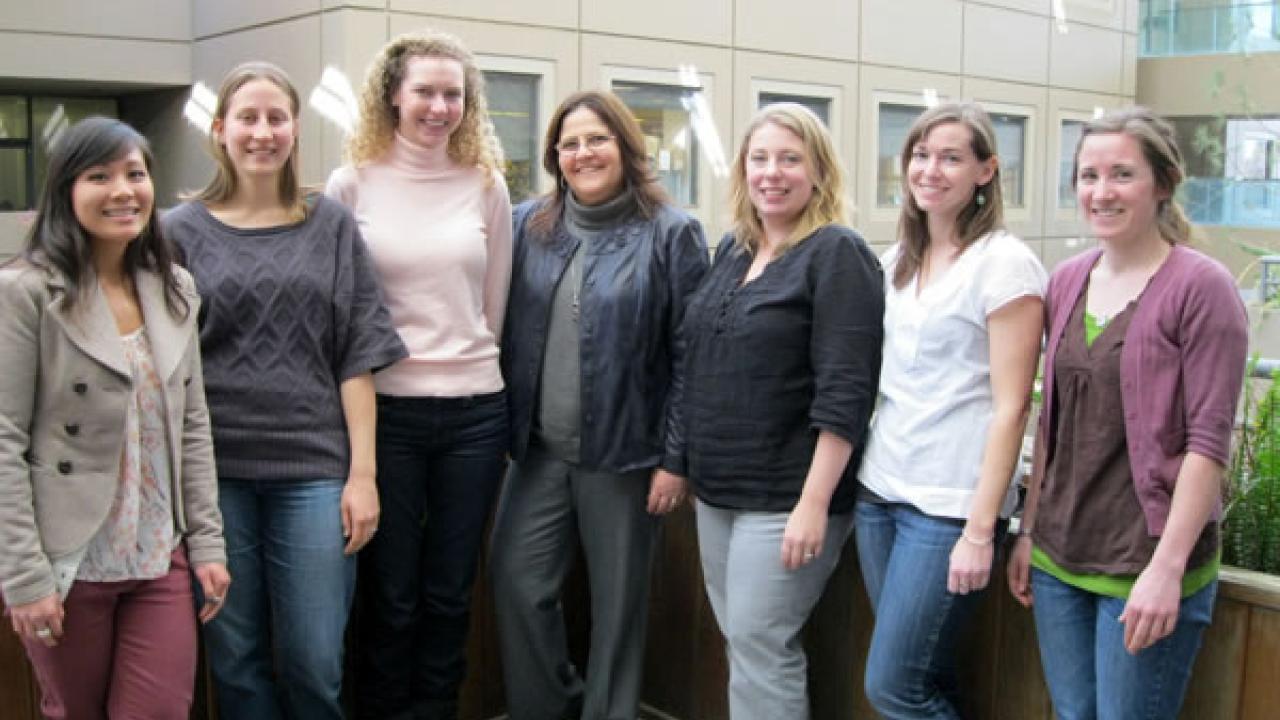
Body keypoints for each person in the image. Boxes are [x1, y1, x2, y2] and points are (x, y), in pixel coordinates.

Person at [163, 61, 406, 720]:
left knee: (313, 662)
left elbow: (356, 355)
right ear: (220, 130)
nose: (262, 132)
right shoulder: (177, 232)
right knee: (236, 665)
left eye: (276, 117)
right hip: (214, 479)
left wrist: (364, 476)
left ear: (295, 129)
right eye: (248, 117)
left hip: (313, 475)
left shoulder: (328, 224)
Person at [1007, 106, 1248, 719]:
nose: (1101, 191)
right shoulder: (1066, 280)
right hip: (1060, 557)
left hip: (1145, 564)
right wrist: (1029, 533)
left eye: (1121, 174)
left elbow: (1208, 444)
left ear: (1162, 183)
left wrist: (1166, 569)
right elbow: (1053, 424)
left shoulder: (1202, 287)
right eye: (1088, 176)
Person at [489, 89, 709, 720]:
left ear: (626, 147)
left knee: (619, 607)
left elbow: (691, 357)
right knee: (516, 583)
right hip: (537, 454)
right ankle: (551, 707)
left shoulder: (673, 234)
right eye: (570, 143)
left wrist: (675, 459)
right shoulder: (527, 224)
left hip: (626, 456)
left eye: (597, 139)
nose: (583, 153)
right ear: (556, 156)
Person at [0, 117, 230, 719]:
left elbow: (193, 425)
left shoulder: (174, 288)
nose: (123, 190)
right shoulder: (26, 293)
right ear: (65, 191)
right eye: (99, 176)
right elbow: (3, 438)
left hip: (159, 555)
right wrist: (25, 578)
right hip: (70, 561)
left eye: (135, 173)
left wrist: (207, 543)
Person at [325, 29, 512, 720]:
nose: (439, 107)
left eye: (453, 95)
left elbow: (492, 305)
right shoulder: (352, 184)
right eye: (425, 92)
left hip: (474, 412)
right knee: (391, 592)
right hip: (387, 414)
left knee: (448, 591)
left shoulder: (486, 185)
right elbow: (341, 310)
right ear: (392, 97)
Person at [677, 103, 882, 719]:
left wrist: (813, 504)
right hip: (717, 490)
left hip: (788, 496)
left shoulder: (837, 253)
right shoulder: (734, 250)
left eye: (790, 159)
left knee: (763, 644)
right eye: (760, 158)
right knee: (744, 641)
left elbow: (846, 389)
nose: (773, 172)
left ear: (819, 173)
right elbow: (698, 363)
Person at [853, 102, 1046, 719]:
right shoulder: (896, 263)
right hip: (880, 492)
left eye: (951, 157)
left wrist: (979, 530)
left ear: (986, 172)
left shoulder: (1005, 264)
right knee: (923, 674)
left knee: (892, 687)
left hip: (947, 509)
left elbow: (1013, 408)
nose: (930, 169)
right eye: (920, 154)